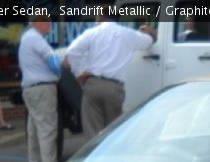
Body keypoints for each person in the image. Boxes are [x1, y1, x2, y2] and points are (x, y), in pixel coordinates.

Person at [65, 7, 156, 139]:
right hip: (115, 88)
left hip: (93, 84)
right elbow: (148, 42)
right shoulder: (128, 34)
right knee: (113, 133)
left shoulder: (92, 33)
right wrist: (151, 33)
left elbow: (72, 51)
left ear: (101, 17)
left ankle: (95, 158)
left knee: (93, 133)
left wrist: (78, 74)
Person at [18, 16, 61, 162]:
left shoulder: (25, 38)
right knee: (47, 129)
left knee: (34, 131)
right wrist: (60, 70)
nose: (50, 24)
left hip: (30, 88)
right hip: (43, 88)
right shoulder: (36, 39)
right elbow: (53, 61)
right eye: (47, 21)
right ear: (37, 23)